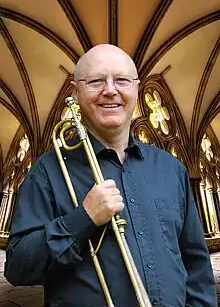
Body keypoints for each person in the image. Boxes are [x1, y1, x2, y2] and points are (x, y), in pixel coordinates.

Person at [4, 44, 217, 307]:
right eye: (95, 81)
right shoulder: (47, 171)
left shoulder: (171, 169)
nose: (110, 90)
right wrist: (83, 219)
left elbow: (196, 265)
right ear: (76, 92)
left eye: (122, 80)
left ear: (136, 89)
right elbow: (17, 266)